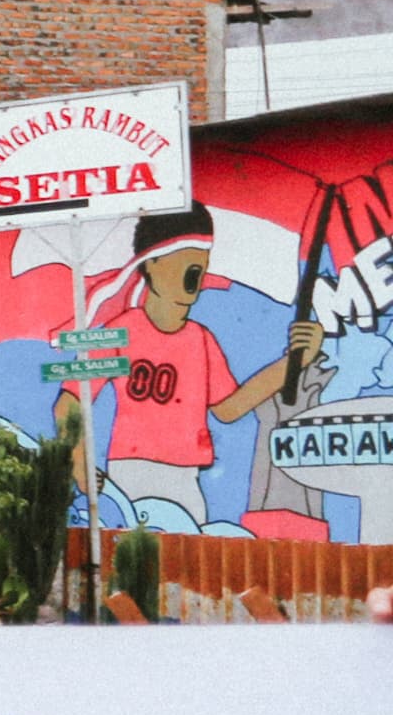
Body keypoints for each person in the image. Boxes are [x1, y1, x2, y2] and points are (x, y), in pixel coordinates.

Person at [55, 211, 308, 530]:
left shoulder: (200, 341)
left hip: (186, 480)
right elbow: (70, 402)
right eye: (181, 259)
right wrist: (80, 464)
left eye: (200, 261)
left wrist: (293, 363)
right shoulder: (120, 332)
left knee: (187, 568)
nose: (194, 273)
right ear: (151, 264)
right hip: (130, 474)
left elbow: (228, 409)